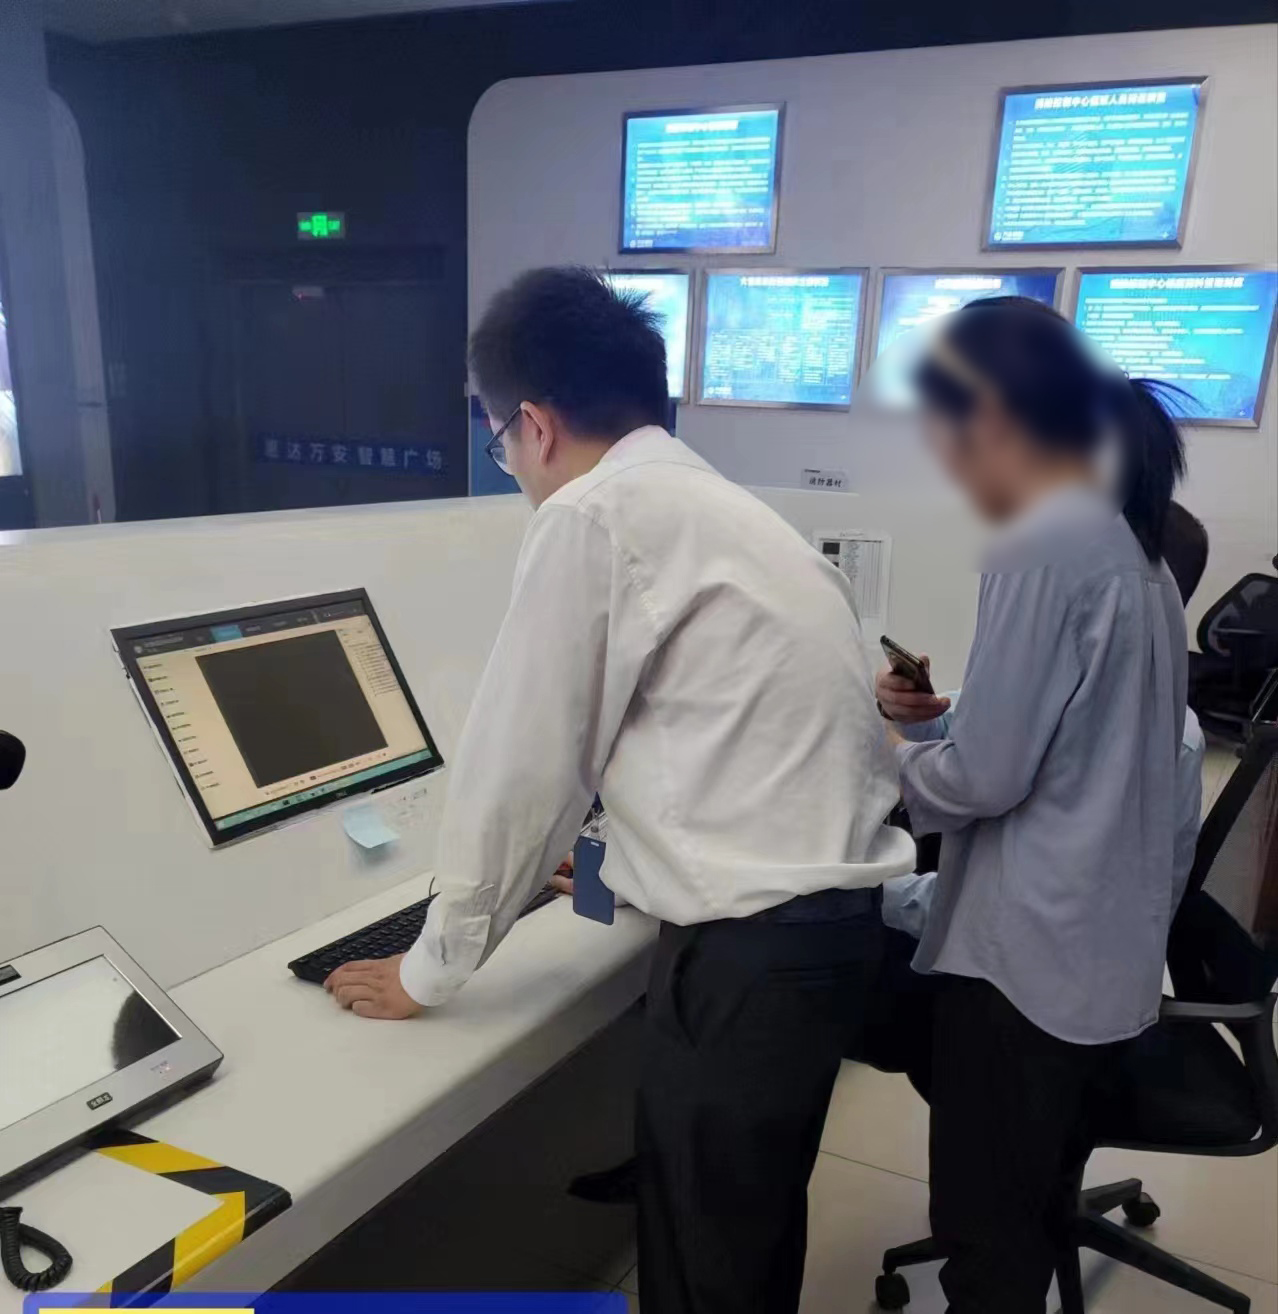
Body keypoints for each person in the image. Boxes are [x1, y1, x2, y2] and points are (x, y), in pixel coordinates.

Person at [325, 267, 915, 1313]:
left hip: (748, 963)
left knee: (707, 1268)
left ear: (534, 425)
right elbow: (722, 749)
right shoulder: (730, 511)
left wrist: (430, 969)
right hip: (823, 943)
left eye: (499, 443)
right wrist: (610, 870)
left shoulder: (592, 516)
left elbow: (522, 772)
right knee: (744, 1235)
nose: (511, 467)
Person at [875, 297, 1189, 1314]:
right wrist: (940, 726)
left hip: (1027, 963)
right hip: (1097, 953)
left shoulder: (1040, 542)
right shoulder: (1125, 534)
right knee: (1026, 1201)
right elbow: (1073, 740)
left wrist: (883, 765)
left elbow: (988, 782)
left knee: (988, 1241)